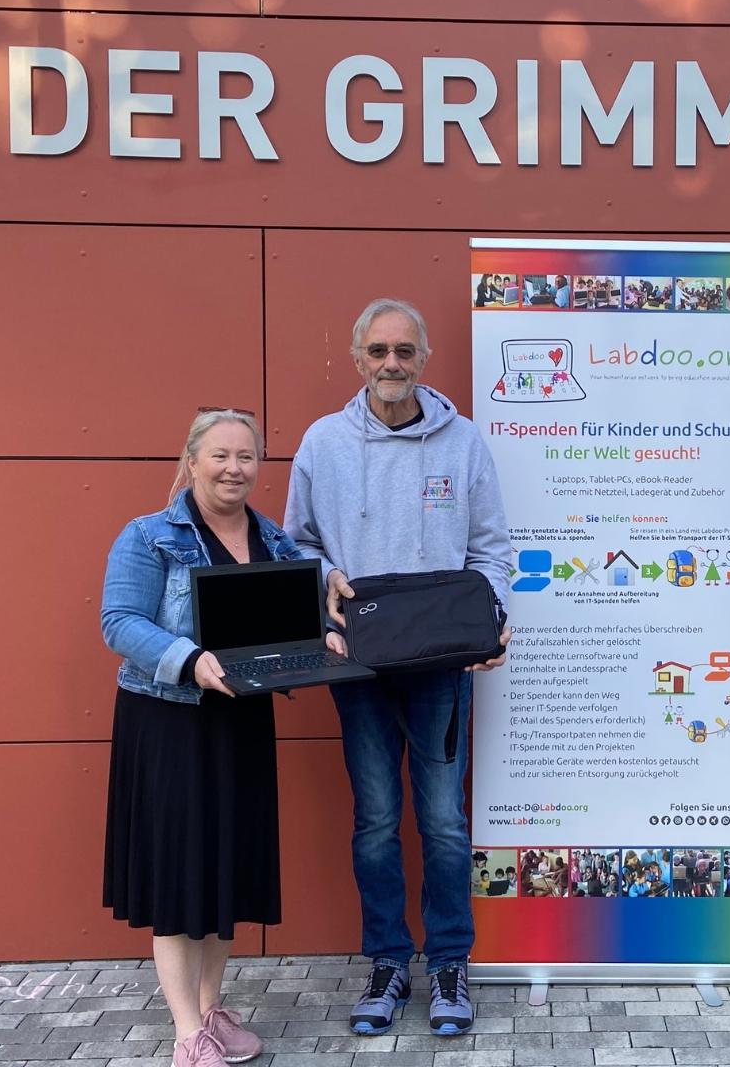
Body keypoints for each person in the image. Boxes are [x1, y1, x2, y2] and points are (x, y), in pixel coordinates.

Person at [284, 298, 513, 1039]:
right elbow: (297, 546)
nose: (392, 364)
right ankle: (387, 960)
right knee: (377, 821)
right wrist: (325, 589)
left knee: (444, 823)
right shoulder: (323, 443)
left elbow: (492, 550)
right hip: (360, 665)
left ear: (424, 359)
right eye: (378, 350)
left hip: (442, 667)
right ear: (357, 358)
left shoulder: (464, 443)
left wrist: (493, 619)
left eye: (404, 352)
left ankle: (450, 963)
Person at [100, 408, 314, 1067]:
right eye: (219, 455)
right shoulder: (149, 536)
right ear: (191, 460)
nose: (233, 468)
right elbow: (120, 623)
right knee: (178, 874)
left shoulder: (275, 540)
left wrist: (322, 639)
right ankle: (186, 1031)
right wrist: (190, 659)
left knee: (226, 869)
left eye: (246, 457)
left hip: (241, 721)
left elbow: (293, 620)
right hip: (171, 721)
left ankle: (212, 1007)